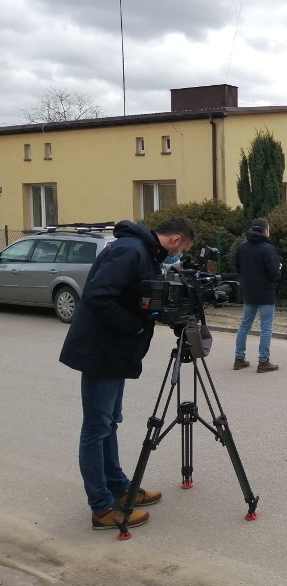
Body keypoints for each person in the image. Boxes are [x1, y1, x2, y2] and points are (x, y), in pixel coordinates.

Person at [59, 217, 196, 531]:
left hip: (114, 352)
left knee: (110, 422)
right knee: (96, 428)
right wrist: (133, 325)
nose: (180, 255)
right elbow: (98, 296)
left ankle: (119, 486)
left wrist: (157, 314)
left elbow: (136, 298)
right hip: (101, 351)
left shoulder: (143, 253)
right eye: (184, 249)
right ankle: (102, 507)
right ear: (175, 240)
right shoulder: (131, 250)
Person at [233, 217, 281, 373]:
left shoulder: (242, 247)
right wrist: (279, 268)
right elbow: (274, 273)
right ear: (265, 231)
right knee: (266, 327)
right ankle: (263, 361)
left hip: (248, 292)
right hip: (266, 294)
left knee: (244, 326)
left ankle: (239, 359)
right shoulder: (268, 249)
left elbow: (238, 268)